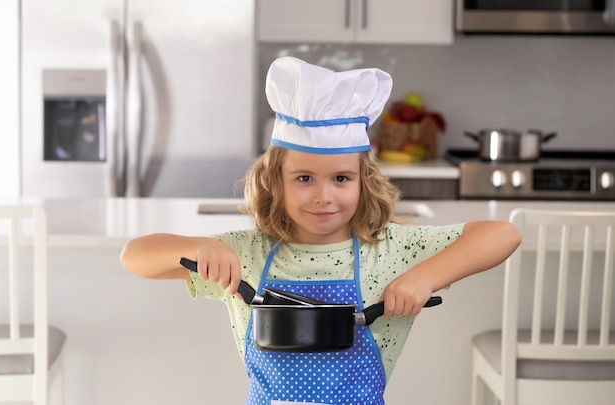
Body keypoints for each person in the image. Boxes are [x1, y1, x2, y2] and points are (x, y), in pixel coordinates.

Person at [120, 56, 521, 405]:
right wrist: (199, 246)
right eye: (305, 178)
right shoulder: (246, 254)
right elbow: (135, 256)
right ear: (276, 180)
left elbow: (504, 234)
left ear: (365, 181)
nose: (324, 196)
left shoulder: (392, 251)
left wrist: (423, 278)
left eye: (342, 179)